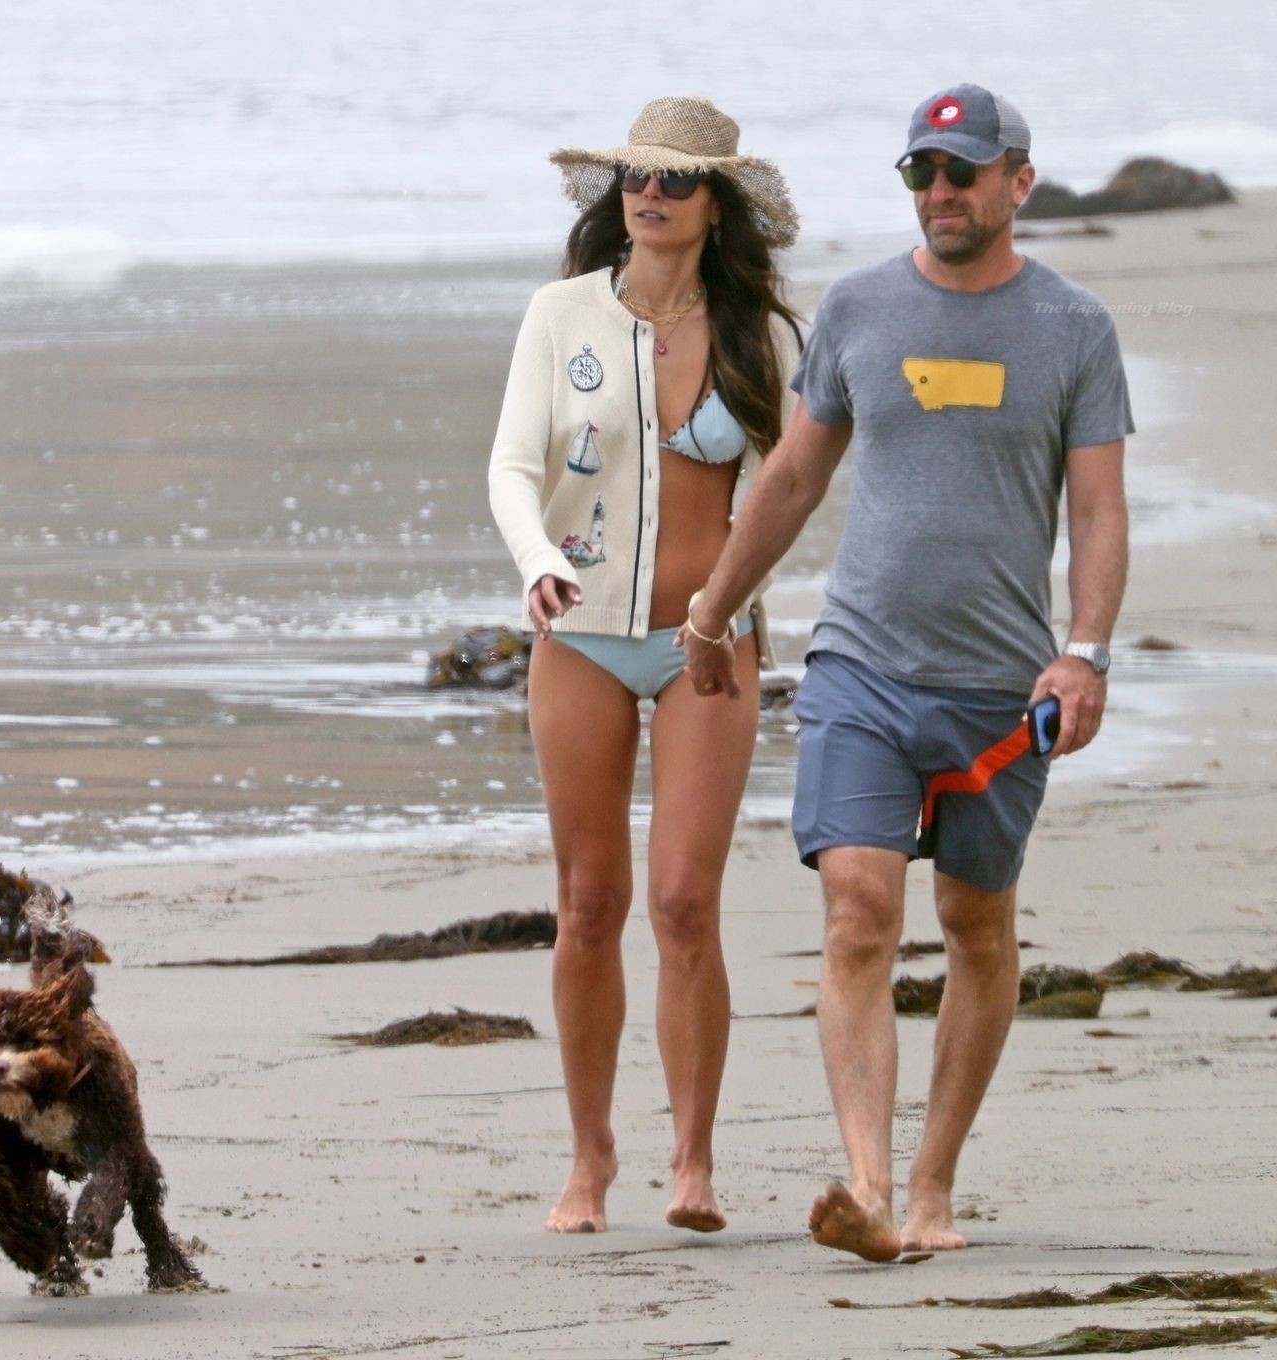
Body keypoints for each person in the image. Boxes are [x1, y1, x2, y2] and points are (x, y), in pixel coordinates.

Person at [678, 83, 1133, 1260]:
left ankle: (934, 1187)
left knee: (976, 923)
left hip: (1001, 689)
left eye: (962, 172)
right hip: (862, 668)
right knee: (858, 911)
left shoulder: (1074, 327)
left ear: (1017, 182)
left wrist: (1084, 652)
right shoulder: (860, 307)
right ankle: (870, 1189)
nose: (940, 192)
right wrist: (714, 610)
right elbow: (792, 477)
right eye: (921, 173)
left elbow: (1098, 509)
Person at [487, 95, 804, 1234]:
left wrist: (725, 609)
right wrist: (536, 561)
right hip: (578, 636)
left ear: (717, 204)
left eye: (675, 179)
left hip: (706, 644)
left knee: (681, 902)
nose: (650, 194)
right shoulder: (560, 312)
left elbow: (785, 489)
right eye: (635, 176)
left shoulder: (762, 331)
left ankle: (693, 1162)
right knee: (588, 902)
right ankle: (590, 1159)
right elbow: (511, 466)